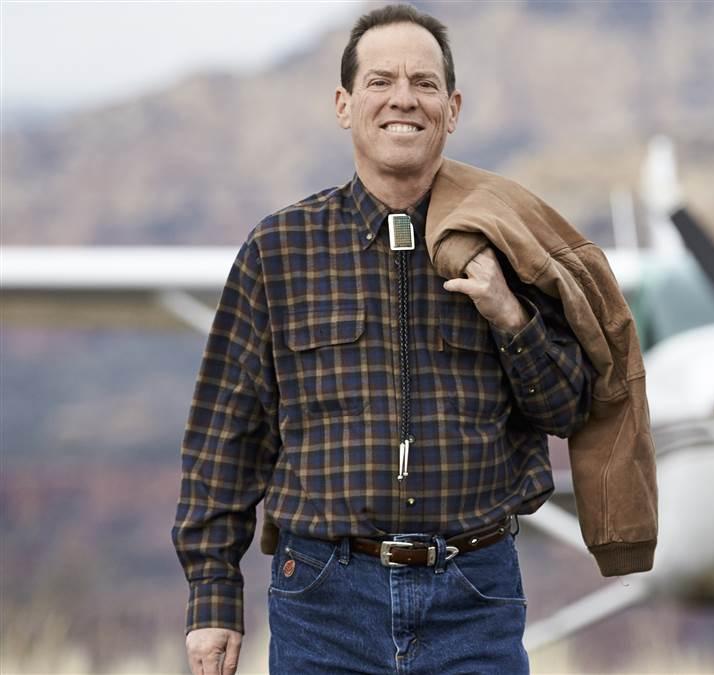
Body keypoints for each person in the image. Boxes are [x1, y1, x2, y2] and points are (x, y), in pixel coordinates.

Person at [171, 4, 657, 674]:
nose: (405, 98)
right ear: (344, 105)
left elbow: (567, 410)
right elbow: (224, 436)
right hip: (322, 602)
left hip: (473, 596)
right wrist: (213, 595)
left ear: (452, 109)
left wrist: (510, 317)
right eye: (381, 81)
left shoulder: (510, 244)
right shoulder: (279, 249)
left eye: (425, 83)